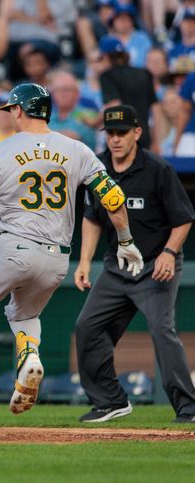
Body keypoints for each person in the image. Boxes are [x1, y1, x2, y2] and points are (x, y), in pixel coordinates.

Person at [0, 83, 144, 424]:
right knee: (22, 315)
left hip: (15, 246)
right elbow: (113, 196)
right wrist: (125, 240)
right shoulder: (77, 149)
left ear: (19, 110)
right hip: (57, 259)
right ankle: (29, 355)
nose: (10, 114)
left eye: (11, 109)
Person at [74, 105, 195, 424]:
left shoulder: (157, 168)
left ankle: (189, 407)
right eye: (110, 133)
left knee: (162, 330)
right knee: (88, 327)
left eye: (121, 133)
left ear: (136, 133)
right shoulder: (97, 167)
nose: (115, 139)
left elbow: (183, 219)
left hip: (156, 264)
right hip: (117, 266)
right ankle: (110, 400)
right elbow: (92, 218)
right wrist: (84, 261)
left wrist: (169, 254)